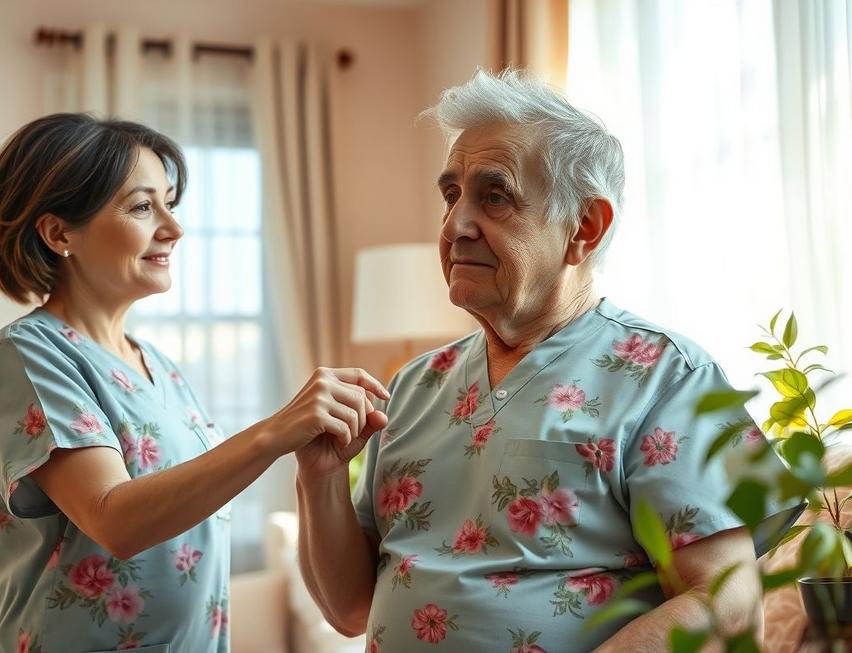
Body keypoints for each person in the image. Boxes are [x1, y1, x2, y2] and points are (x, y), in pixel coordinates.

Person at [295, 70, 804, 652]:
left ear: (584, 228)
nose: (455, 225)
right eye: (451, 194)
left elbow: (729, 605)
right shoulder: (412, 385)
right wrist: (319, 477)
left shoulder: (670, 376)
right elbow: (350, 608)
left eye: (494, 195)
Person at [0, 113, 389, 653]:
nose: (174, 227)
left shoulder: (158, 366)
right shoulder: (28, 354)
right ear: (59, 233)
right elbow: (115, 518)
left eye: (170, 203)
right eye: (143, 206)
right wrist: (275, 431)